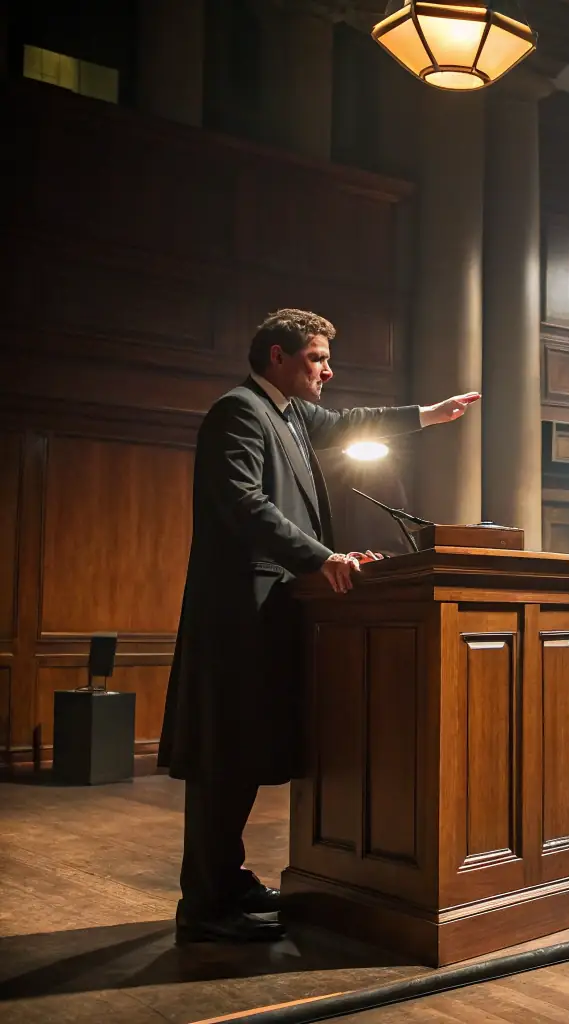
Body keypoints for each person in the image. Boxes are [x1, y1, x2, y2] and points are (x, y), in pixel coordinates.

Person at [159, 309, 480, 945]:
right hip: (236, 615)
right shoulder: (240, 411)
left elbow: (353, 422)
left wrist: (428, 415)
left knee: (244, 755)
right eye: (316, 358)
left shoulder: (291, 414)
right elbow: (243, 502)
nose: (328, 371)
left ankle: (226, 878)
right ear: (276, 357)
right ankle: (203, 903)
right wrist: (319, 556)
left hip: (268, 612)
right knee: (224, 760)